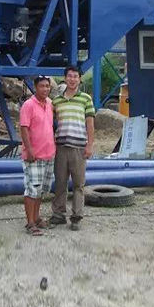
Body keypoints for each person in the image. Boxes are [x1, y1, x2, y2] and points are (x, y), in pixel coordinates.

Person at [50, 65, 95, 231]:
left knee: (78, 184)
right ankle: (58, 215)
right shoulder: (56, 101)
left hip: (79, 148)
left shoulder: (86, 99)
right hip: (61, 147)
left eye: (75, 76)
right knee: (60, 183)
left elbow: (90, 124)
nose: (72, 79)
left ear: (79, 79)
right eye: (69, 76)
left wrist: (90, 145)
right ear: (65, 78)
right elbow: (50, 124)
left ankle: (76, 217)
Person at [18, 75, 56, 236]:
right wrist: (29, 150)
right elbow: (24, 128)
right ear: (35, 87)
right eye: (42, 86)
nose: (45, 89)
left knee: (41, 190)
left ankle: (37, 217)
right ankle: (30, 223)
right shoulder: (28, 105)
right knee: (32, 189)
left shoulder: (50, 104)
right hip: (34, 155)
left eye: (47, 86)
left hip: (49, 154)